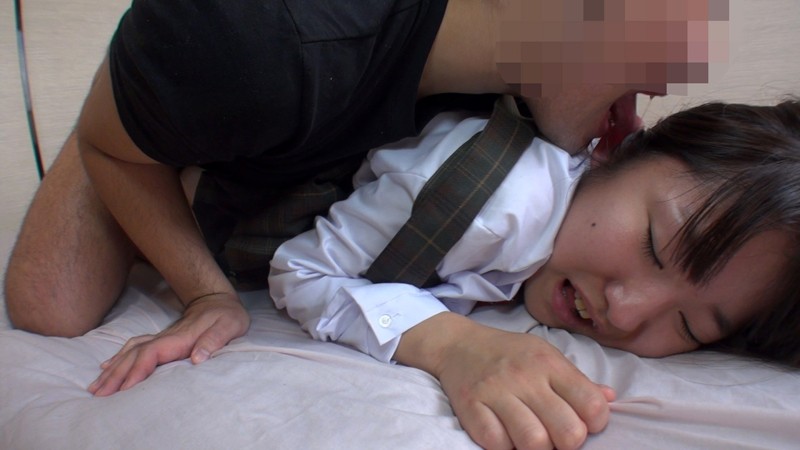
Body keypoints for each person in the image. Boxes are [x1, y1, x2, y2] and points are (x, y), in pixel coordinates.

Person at [4, 1, 725, 448]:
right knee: (51, 303)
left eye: (693, 327)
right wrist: (206, 293)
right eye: (653, 53)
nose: (638, 114)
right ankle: (133, 95)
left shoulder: (531, 118)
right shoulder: (262, 39)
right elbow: (303, 272)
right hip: (224, 64)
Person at [268, 98, 800, 450]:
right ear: (616, 147)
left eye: (689, 325)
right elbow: (303, 271)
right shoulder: (495, 202)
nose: (626, 310)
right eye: (654, 246)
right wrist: (452, 344)